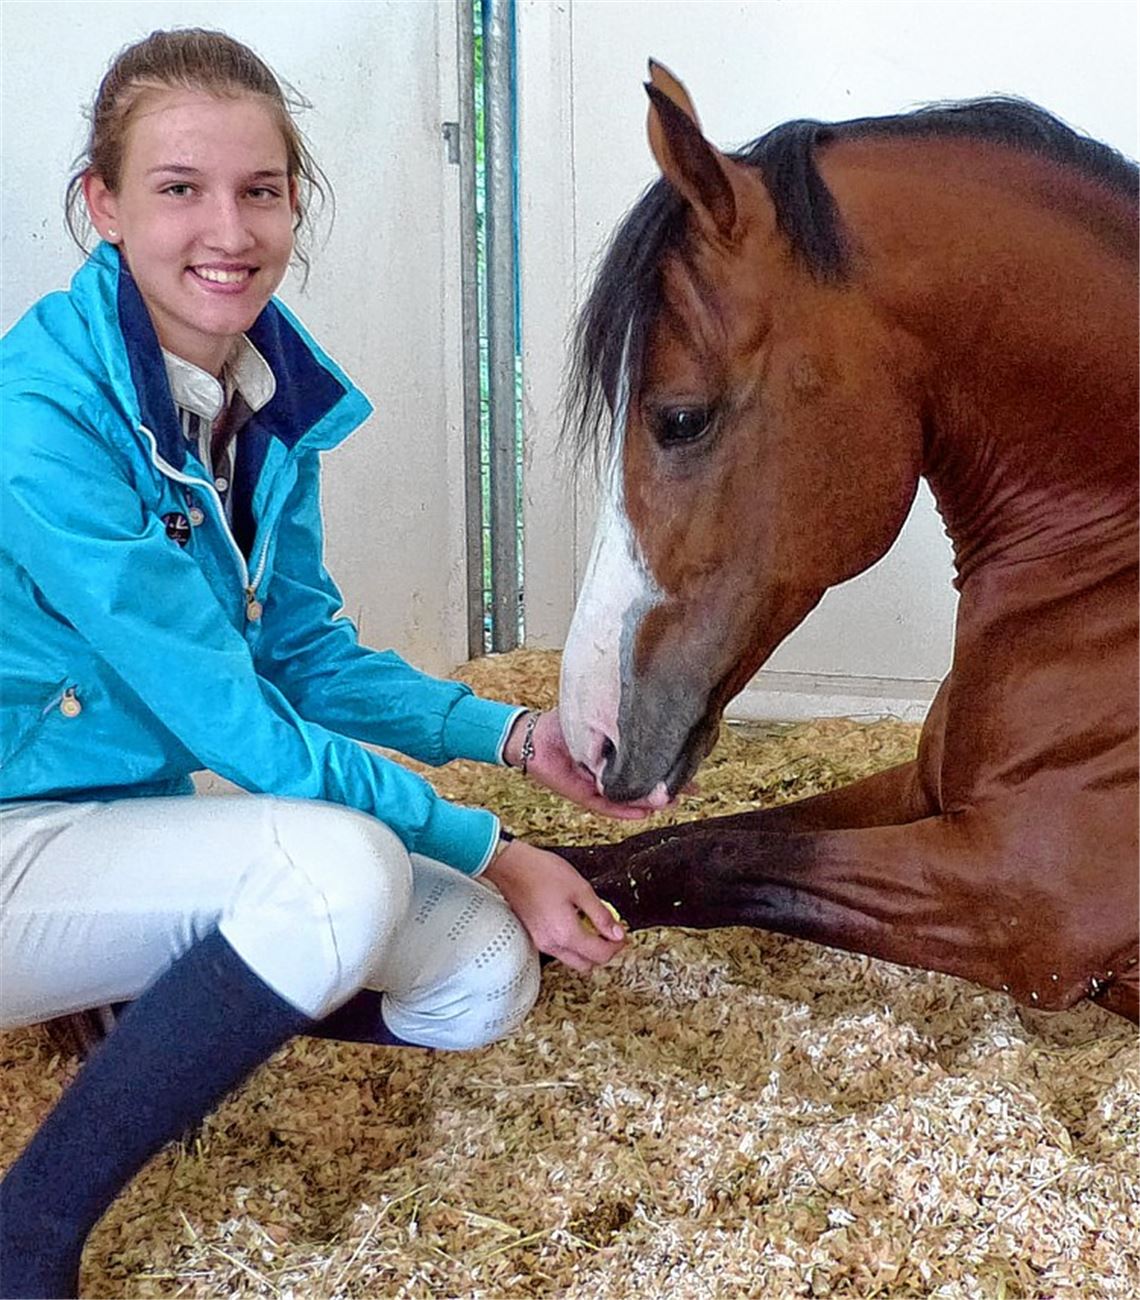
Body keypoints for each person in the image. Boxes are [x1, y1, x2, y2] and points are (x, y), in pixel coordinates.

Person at [0, 28, 665, 1299]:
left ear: (297, 199)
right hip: (14, 830)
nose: (229, 230)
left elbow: (302, 651)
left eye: (261, 190)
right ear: (102, 204)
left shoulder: (258, 396)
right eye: (179, 188)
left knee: (478, 978)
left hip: (112, 818)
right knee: (346, 869)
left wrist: (518, 737)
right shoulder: (40, 416)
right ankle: (27, 1235)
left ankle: (161, 1015)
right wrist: (493, 843)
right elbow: (238, 723)